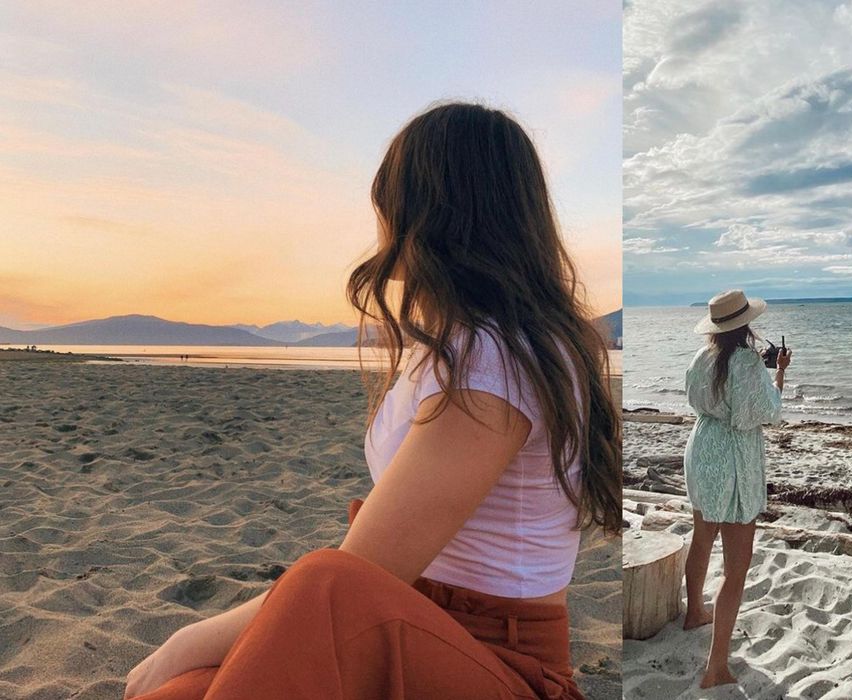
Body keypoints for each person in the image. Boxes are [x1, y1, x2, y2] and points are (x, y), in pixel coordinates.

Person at [123, 102, 622, 700]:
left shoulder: (498, 359)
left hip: (502, 664)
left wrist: (186, 641)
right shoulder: (452, 345)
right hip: (409, 624)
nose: (381, 222)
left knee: (321, 584)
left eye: (389, 200)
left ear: (430, 211)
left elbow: (361, 573)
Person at [681, 289, 790, 688]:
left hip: (703, 447)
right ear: (745, 324)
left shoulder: (701, 357)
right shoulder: (745, 362)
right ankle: (715, 668)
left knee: (702, 536)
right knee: (737, 569)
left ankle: (694, 611)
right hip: (732, 458)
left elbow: (698, 397)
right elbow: (763, 413)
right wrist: (779, 374)